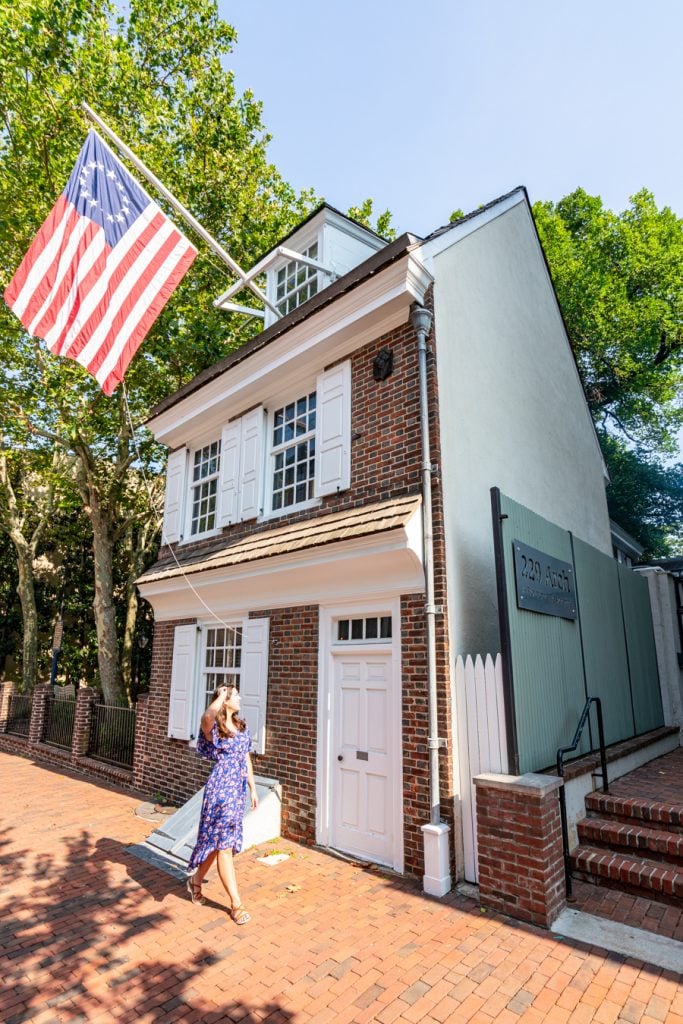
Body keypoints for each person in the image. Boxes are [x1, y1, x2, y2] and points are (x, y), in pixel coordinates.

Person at [185, 684, 258, 925]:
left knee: (218, 844)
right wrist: (221, 696)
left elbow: (245, 756)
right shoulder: (215, 727)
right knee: (224, 846)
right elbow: (207, 716)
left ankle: (195, 882)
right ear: (225, 700)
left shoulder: (240, 725)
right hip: (220, 791)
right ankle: (236, 904)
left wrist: (252, 787)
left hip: (236, 790)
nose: (239, 698)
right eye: (235, 695)